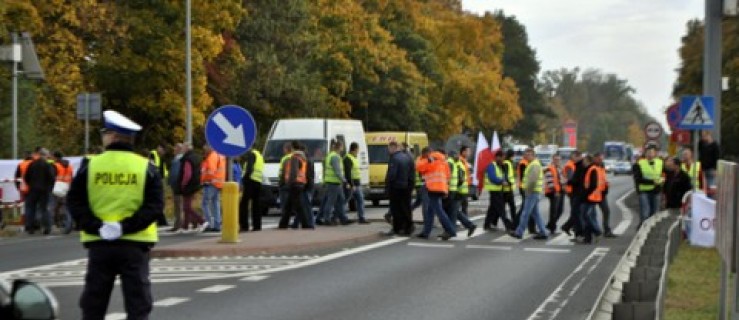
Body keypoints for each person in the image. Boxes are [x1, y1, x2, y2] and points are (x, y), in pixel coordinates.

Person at [67, 110, 164, 319]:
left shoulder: (90, 166)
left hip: (99, 244)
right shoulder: (146, 167)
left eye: (104, 132)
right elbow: (154, 207)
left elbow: (74, 201)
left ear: (112, 136)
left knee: (94, 304)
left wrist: (97, 225)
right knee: (138, 305)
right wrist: (125, 227)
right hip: (135, 244)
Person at [416, 147, 457, 240]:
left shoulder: (430, 159)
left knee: (439, 211)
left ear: (427, 153)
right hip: (441, 187)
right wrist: (445, 189)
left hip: (433, 188)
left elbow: (419, 167)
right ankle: (426, 232)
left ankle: (451, 230)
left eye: (424, 156)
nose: (424, 157)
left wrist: (425, 160)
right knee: (430, 211)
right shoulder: (443, 161)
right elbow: (448, 175)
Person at [510, 149, 548, 240]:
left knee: (525, 213)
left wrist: (527, 190)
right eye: (525, 154)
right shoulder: (533, 164)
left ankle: (519, 232)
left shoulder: (534, 165)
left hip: (532, 192)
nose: (525, 156)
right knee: (535, 214)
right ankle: (543, 232)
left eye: (528, 155)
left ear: (533, 155)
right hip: (534, 191)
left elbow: (532, 181)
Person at [319, 140, 353, 225]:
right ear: (340, 147)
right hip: (333, 183)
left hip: (334, 183)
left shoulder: (331, 155)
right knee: (331, 202)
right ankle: (328, 219)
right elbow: (338, 171)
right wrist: (345, 181)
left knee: (340, 201)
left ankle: (343, 218)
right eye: (342, 147)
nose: (343, 148)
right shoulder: (335, 157)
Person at [385, 141, 415, 236]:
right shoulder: (408, 157)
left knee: (396, 209)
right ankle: (408, 227)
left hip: (396, 187)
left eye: (389, 149)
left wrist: (387, 185)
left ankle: (397, 228)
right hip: (407, 186)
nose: (388, 151)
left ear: (393, 147)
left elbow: (392, 174)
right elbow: (412, 173)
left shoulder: (394, 158)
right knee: (406, 208)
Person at [279, 142, 311, 229]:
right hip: (300, 183)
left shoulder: (295, 157)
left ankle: (306, 224)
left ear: (293, 148)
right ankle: (283, 224)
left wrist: (289, 182)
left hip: (294, 183)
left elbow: (293, 172)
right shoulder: (303, 158)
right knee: (289, 206)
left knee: (298, 206)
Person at [24, 148, 55, 235]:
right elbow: (51, 178)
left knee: (31, 208)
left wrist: (31, 185)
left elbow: (26, 177)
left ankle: (30, 227)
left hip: (33, 189)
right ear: (44, 155)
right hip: (44, 190)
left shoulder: (32, 164)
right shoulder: (47, 165)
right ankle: (47, 227)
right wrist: (49, 188)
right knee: (44, 209)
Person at [178, 144, 207, 232]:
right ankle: (185, 225)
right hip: (195, 183)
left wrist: (183, 183)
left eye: (183, 148)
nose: (182, 149)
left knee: (187, 207)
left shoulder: (187, 159)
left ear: (187, 149)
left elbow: (187, 174)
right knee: (187, 206)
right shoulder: (197, 157)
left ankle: (202, 221)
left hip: (189, 185)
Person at [634, 145, 664, 227]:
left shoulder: (660, 162)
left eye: (652, 152)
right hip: (644, 191)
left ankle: (652, 231)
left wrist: (662, 180)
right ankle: (643, 230)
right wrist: (652, 182)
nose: (650, 154)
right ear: (645, 153)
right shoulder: (639, 163)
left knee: (655, 213)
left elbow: (663, 174)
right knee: (645, 213)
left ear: (655, 153)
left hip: (656, 191)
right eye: (648, 152)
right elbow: (638, 179)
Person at [484, 150, 513, 231]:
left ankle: (487, 224)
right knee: (501, 209)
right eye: (502, 158)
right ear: (497, 157)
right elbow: (492, 177)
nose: (503, 160)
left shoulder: (499, 166)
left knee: (492, 209)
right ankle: (508, 225)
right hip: (494, 191)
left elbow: (502, 176)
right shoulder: (491, 165)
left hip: (498, 190)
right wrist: (501, 182)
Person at [579, 155, 604, 244]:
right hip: (589, 197)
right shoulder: (588, 169)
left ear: (588, 161)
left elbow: (593, 185)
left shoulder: (592, 169)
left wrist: (586, 194)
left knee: (586, 216)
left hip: (590, 197)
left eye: (584, 161)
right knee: (587, 216)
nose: (583, 162)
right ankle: (588, 237)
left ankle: (597, 231)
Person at [200, 144, 226, 232]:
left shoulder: (211, 157)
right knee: (216, 204)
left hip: (211, 183)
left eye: (205, 148)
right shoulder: (220, 155)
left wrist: (204, 180)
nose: (204, 150)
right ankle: (217, 224)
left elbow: (211, 171)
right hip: (218, 183)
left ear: (210, 147)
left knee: (205, 203)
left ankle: (209, 223)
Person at [454, 146, 477, 236]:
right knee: (458, 207)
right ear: (463, 152)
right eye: (468, 151)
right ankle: (467, 224)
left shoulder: (464, 161)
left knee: (459, 207)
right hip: (461, 188)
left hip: (463, 187)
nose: (469, 153)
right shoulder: (461, 161)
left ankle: (466, 224)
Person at [240, 148, 264, 232]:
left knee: (243, 204)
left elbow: (249, 168)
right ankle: (257, 226)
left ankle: (244, 225)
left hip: (250, 181)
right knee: (256, 205)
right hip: (258, 181)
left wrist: (244, 179)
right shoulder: (259, 155)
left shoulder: (251, 154)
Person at [343, 142, 368, 224]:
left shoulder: (354, 158)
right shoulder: (348, 158)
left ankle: (361, 218)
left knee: (360, 200)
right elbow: (348, 173)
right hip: (352, 184)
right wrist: (351, 184)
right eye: (357, 149)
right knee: (345, 201)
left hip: (357, 184)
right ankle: (343, 217)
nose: (358, 151)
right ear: (355, 149)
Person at [51, 151, 74, 234]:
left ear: (55, 157)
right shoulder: (70, 166)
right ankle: (68, 223)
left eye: (52, 157)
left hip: (56, 188)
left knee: (54, 206)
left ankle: (55, 224)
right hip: (67, 187)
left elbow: (51, 177)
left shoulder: (55, 166)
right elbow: (71, 177)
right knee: (66, 206)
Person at [562, 151, 584, 238]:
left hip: (574, 190)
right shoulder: (570, 165)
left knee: (576, 212)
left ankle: (569, 227)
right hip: (572, 191)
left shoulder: (575, 164)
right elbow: (572, 179)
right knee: (576, 212)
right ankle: (573, 228)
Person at [593, 153, 615, 238]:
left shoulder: (602, 166)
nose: (600, 160)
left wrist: (606, 187)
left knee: (606, 211)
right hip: (593, 194)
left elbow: (603, 179)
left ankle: (607, 230)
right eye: (599, 159)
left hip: (601, 193)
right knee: (590, 214)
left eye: (602, 159)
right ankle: (593, 230)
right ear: (595, 158)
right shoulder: (592, 167)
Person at [544, 154, 564, 235]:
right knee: (554, 211)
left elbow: (563, 179)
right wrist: (555, 191)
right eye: (555, 159)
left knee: (560, 210)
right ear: (552, 159)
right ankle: (552, 227)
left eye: (558, 160)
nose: (557, 161)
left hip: (560, 191)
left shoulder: (559, 169)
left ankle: (550, 225)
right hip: (553, 192)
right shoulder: (549, 168)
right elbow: (549, 181)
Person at [167, 143, 185, 233]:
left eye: (175, 148)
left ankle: (178, 224)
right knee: (178, 205)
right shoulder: (177, 159)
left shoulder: (179, 159)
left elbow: (175, 173)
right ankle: (178, 223)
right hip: (176, 184)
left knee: (179, 205)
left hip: (177, 185)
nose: (174, 149)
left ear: (179, 149)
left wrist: (172, 182)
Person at [149, 144, 168, 227]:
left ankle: (160, 220)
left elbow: (163, 170)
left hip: (160, 180)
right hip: (155, 180)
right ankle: (161, 220)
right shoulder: (153, 154)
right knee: (157, 200)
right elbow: (153, 166)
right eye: (160, 148)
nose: (161, 151)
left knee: (159, 200)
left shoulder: (161, 157)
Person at [502, 150, 517, 227]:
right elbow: (505, 175)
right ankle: (513, 223)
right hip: (507, 189)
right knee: (511, 207)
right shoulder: (507, 163)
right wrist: (509, 182)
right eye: (514, 156)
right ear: (512, 156)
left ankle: (513, 222)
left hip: (508, 188)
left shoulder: (508, 163)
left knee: (508, 207)